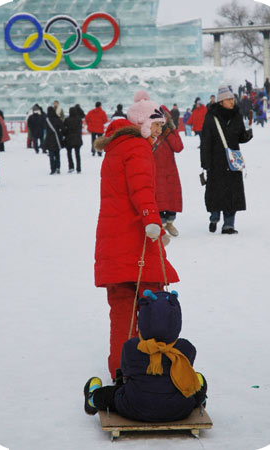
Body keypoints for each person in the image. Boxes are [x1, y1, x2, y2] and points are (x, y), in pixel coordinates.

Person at [93, 90, 179, 381]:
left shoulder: (118, 146)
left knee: (121, 310)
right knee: (152, 306)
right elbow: (141, 190)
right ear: (142, 124)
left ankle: (121, 370)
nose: (158, 132)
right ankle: (151, 373)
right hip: (134, 242)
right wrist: (151, 223)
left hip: (114, 242)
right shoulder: (138, 147)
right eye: (155, 125)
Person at [83, 290, 207, 422]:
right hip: (179, 409)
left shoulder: (132, 346)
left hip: (134, 407)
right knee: (194, 384)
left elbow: (126, 373)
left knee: (110, 395)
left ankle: (93, 398)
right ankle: (201, 398)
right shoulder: (185, 348)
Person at [200, 84, 253, 234]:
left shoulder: (236, 116)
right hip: (215, 161)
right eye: (228, 99)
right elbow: (205, 141)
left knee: (233, 192)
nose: (232, 102)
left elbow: (240, 136)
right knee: (216, 191)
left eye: (232, 99)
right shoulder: (211, 117)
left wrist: (247, 134)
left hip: (232, 161)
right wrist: (205, 163)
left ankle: (229, 224)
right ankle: (214, 216)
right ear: (221, 101)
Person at [153, 105, 183, 238]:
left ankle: (170, 222)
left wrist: (168, 133)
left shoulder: (171, 131)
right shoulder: (151, 132)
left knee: (171, 198)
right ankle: (162, 225)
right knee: (159, 198)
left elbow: (178, 147)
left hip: (170, 170)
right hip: (155, 170)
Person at [44, 106, 64, 174]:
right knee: (57, 154)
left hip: (49, 139)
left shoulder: (47, 120)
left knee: (51, 155)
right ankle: (58, 167)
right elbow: (62, 127)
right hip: (57, 138)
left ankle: (52, 168)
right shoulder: (57, 119)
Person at [64, 106, 83, 173]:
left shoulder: (67, 120)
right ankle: (78, 168)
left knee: (69, 154)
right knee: (77, 154)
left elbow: (64, 129)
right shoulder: (79, 119)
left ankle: (71, 167)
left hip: (69, 139)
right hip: (77, 138)